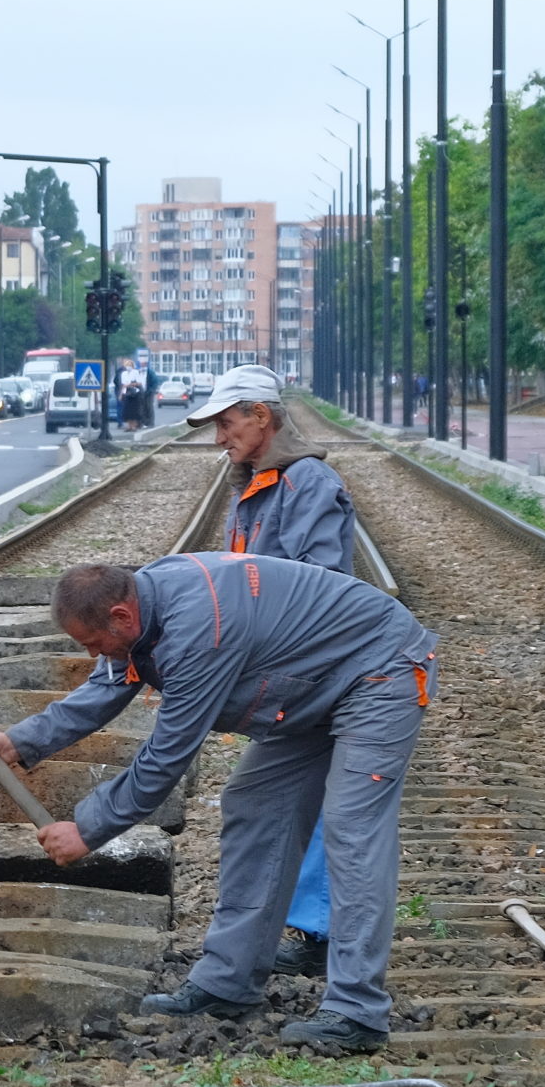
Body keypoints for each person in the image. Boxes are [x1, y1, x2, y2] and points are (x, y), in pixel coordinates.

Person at [0, 556, 436, 1054]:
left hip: (379, 671)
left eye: (93, 642)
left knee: (351, 828)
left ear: (121, 616)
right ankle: (228, 984)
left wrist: (87, 828)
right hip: (308, 684)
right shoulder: (142, 606)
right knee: (254, 804)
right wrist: (20, 741)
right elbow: (109, 683)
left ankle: (357, 1011)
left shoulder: (198, 632)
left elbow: (166, 756)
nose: (93, 654)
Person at [184, 364, 359, 981]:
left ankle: (321, 940)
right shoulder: (259, 485)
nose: (219, 438)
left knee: (312, 802)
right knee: (278, 798)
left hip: (316, 672)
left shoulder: (306, 482)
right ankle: (306, 934)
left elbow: (320, 583)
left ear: (262, 416)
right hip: (288, 673)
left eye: (226, 424)